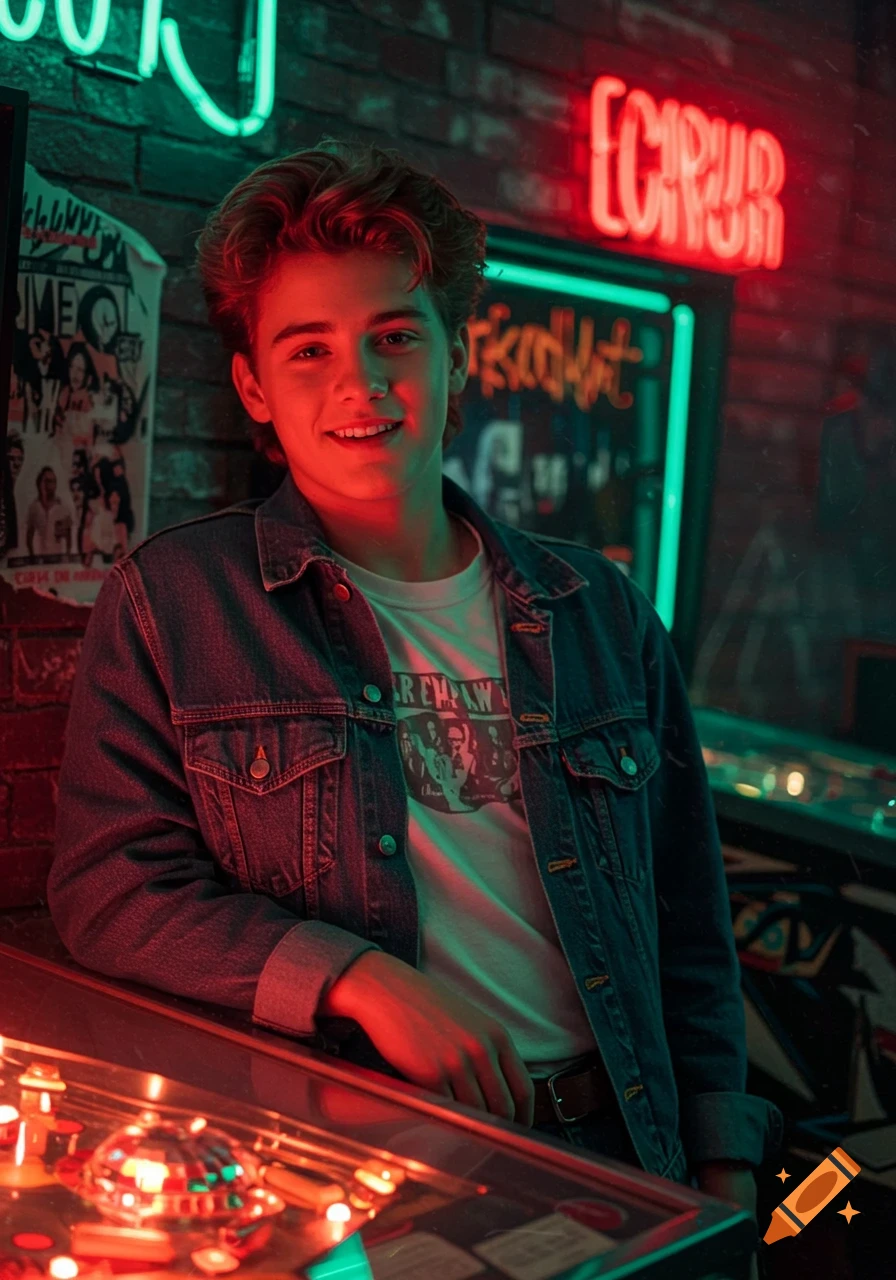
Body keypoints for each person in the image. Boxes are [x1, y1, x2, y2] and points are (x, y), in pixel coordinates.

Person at [48, 139, 780, 1249]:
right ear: (253, 387)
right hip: (350, 1167)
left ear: (456, 357)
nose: (361, 383)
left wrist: (723, 1181)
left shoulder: (599, 609)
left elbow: (687, 919)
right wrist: (353, 975)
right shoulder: (177, 601)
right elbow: (111, 890)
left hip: (617, 1154)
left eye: (395, 335)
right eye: (308, 349)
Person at [25, 466, 73, 558]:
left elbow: (69, 538)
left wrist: (67, 556)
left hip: (58, 557)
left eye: (53, 481)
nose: (51, 485)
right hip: (40, 558)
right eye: (47, 481)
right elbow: (29, 537)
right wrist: (32, 557)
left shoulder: (62, 507)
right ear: (40, 483)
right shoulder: (34, 507)